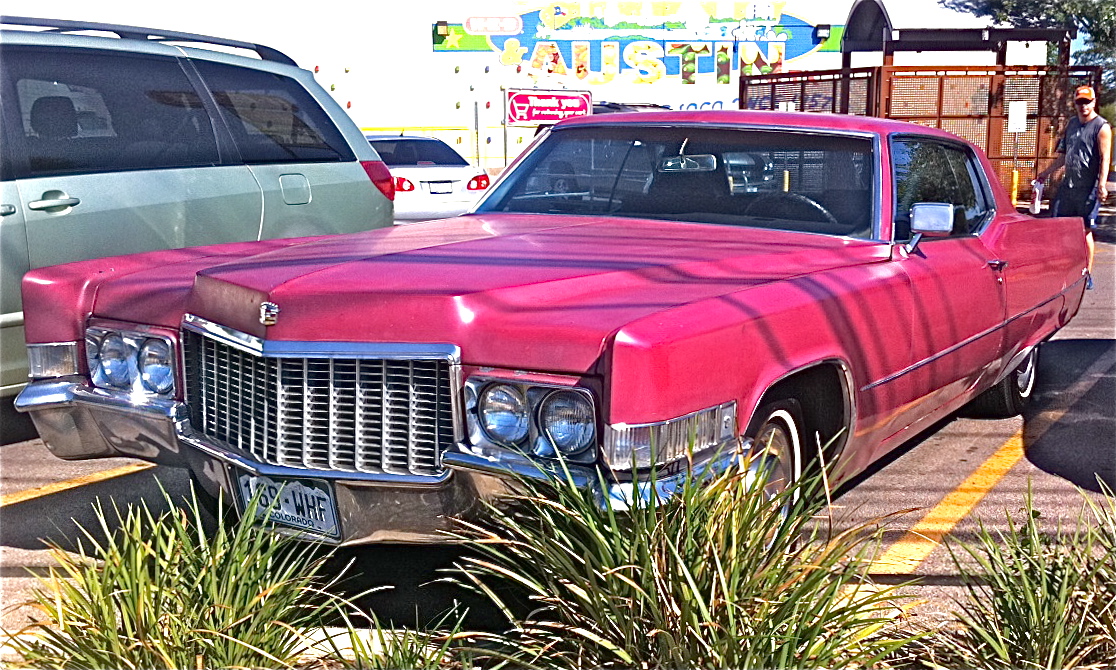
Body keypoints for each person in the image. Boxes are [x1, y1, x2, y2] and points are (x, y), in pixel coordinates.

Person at [1037, 85, 1111, 290]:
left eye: (1087, 102)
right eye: (1080, 102)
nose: (1083, 106)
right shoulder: (1071, 125)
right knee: (1061, 228)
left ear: (1094, 102)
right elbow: (1063, 156)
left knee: (1085, 230)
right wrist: (1045, 173)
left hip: (1088, 188)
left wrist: (1102, 185)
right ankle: (1063, 269)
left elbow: (1105, 159)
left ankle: (1086, 273)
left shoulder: (1101, 127)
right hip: (1068, 187)